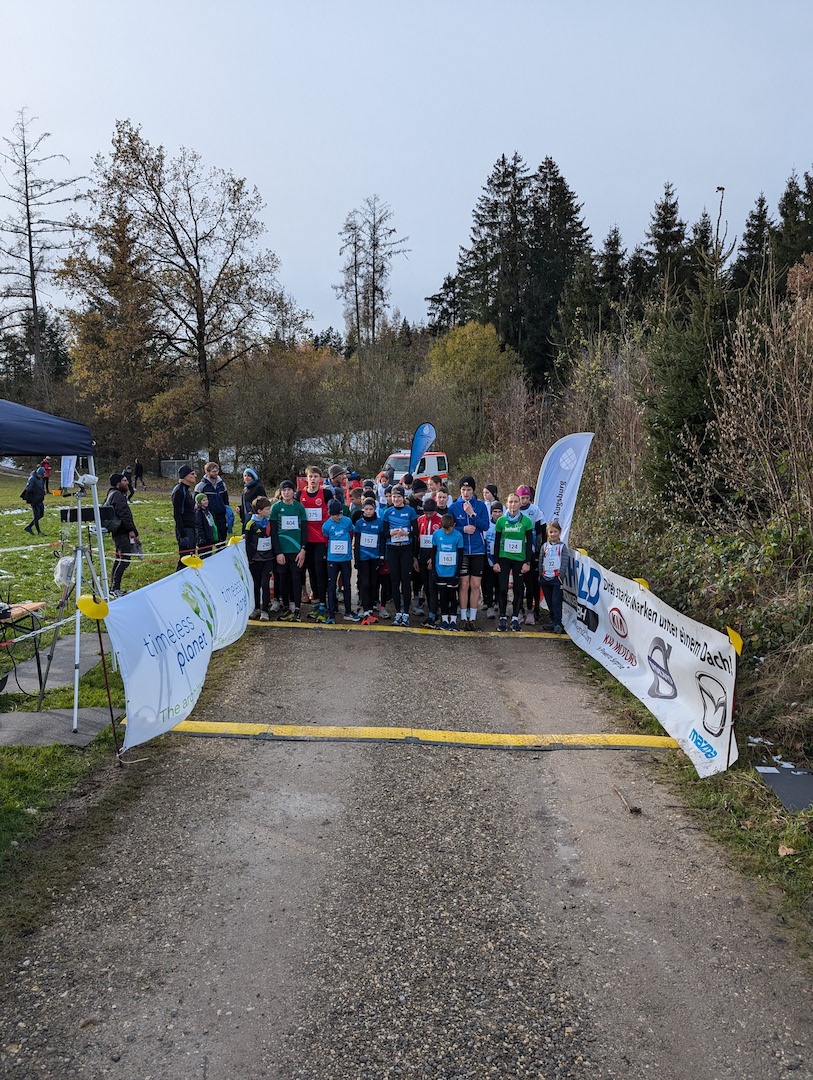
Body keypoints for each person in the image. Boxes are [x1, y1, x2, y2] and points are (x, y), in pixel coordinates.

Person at [449, 476, 489, 631]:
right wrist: (463, 529)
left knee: (475, 584)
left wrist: (472, 514)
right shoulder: (454, 507)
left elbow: (485, 526)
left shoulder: (480, 505)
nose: (466, 493)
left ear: (473, 490)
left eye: (469, 490)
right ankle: (463, 617)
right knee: (464, 584)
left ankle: (473, 617)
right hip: (463, 550)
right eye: (463, 490)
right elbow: (449, 527)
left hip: (478, 550)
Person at [492, 493, 534, 632]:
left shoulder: (526, 521)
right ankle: (503, 616)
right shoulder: (501, 521)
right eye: (510, 502)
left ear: (519, 504)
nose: (513, 504)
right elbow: (497, 542)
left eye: (516, 502)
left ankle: (515, 617)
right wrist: (496, 561)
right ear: (507, 504)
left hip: (519, 559)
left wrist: (527, 562)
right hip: (504, 558)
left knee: (518, 588)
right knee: (503, 588)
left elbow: (529, 543)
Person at [297, 465, 333, 619]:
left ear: (320, 479)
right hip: (306, 541)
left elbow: (333, 512)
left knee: (320, 572)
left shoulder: (326, 493)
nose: (313, 479)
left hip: (321, 540)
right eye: (310, 476)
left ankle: (324, 604)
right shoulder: (300, 494)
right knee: (311, 572)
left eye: (316, 476)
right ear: (306, 478)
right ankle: (317, 603)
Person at [270, 480, 307, 621]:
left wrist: (303, 549)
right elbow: (273, 532)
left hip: (296, 550)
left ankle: (297, 608)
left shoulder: (299, 507)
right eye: (284, 490)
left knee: (296, 578)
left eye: (289, 490)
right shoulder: (276, 508)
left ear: (293, 491)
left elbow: (304, 530)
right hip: (282, 551)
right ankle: (286, 607)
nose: (286, 492)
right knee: (283, 579)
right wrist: (278, 552)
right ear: (280, 492)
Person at [382, 485, 418, 626]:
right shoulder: (387, 512)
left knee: (406, 582)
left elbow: (416, 531)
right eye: (394, 497)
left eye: (398, 497)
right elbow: (384, 533)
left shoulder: (410, 511)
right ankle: (398, 613)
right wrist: (390, 533)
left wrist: (406, 533)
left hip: (406, 549)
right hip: (392, 549)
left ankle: (406, 613)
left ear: (403, 497)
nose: (396, 499)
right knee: (395, 582)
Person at [105, 473, 139, 596]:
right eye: (124, 480)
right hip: (122, 532)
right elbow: (124, 514)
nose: (127, 483)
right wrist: (131, 530)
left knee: (119, 559)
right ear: (117, 483)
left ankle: (113, 587)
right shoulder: (117, 496)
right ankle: (115, 588)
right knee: (124, 560)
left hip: (118, 531)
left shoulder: (113, 494)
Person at [322, 499, 356, 623]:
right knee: (331, 586)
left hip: (345, 559)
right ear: (330, 514)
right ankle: (331, 613)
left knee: (347, 585)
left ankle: (348, 611)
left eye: (340, 514)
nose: (338, 517)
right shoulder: (326, 525)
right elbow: (326, 539)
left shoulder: (347, 521)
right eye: (336, 515)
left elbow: (351, 533)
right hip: (332, 559)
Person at [353, 497, 385, 625]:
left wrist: (382, 556)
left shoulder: (379, 523)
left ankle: (370, 610)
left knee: (373, 584)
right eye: (366, 509)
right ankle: (365, 610)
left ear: (374, 509)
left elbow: (382, 540)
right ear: (363, 509)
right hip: (363, 558)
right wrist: (356, 559)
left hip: (375, 557)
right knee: (365, 583)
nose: (368, 511)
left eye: (371, 509)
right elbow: (357, 542)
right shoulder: (359, 523)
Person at [517, 485, 546, 624]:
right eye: (522, 498)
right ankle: (519, 609)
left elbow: (541, 532)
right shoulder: (514, 510)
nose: (524, 501)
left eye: (527, 498)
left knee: (533, 583)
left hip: (533, 550)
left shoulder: (535, 510)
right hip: (517, 551)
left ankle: (535, 609)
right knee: (519, 583)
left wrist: (540, 550)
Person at [244, 496, 275, 620]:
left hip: (268, 559)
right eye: (267, 509)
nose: (269, 511)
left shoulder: (269, 522)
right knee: (256, 585)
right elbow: (247, 544)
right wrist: (250, 559)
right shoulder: (250, 524)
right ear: (259, 511)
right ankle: (256, 607)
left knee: (265, 584)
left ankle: (265, 610)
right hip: (255, 560)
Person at [432, 514, 464, 630]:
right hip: (440, 570)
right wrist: (434, 570)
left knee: (452, 596)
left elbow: (460, 555)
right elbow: (433, 552)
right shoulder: (436, 534)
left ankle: (453, 620)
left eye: (449, 529)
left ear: (453, 525)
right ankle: (445, 619)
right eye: (444, 529)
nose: (446, 531)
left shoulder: (458, 535)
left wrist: (457, 573)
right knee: (443, 596)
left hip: (452, 571)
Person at [415, 497, 443, 626]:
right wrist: (415, 558)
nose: (428, 515)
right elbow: (416, 540)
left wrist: (434, 557)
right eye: (426, 513)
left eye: (430, 513)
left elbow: (442, 541)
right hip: (422, 556)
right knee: (426, 585)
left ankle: (434, 613)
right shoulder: (420, 520)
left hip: (435, 556)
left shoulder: (441, 520)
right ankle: (432, 611)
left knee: (433, 586)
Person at [195, 462, 230, 548]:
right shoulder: (200, 486)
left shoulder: (222, 485)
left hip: (221, 517)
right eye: (213, 471)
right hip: (208, 518)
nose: (216, 473)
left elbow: (226, 501)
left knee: (221, 544)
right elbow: (196, 504)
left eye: (217, 471)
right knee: (207, 545)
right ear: (207, 472)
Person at [540, 519, 565, 633]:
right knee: (549, 601)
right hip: (545, 578)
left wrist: (560, 577)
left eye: (555, 531)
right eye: (551, 532)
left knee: (556, 601)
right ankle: (553, 621)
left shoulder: (562, 547)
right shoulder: (544, 546)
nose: (553, 534)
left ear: (559, 532)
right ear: (547, 533)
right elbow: (541, 560)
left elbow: (564, 562)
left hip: (556, 579)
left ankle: (558, 623)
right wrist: (541, 575)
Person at [171, 464, 198, 571]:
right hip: (185, 529)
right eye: (192, 474)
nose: (195, 476)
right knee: (185, 559)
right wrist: (183, 534)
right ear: (185, 476)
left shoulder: (186, 491)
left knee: (191, 557)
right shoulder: (179, 491)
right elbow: (177, 514)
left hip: (191, 527)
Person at [482, 500, 504, 619]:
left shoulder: (505, 523)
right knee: (489, 583)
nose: (497, 514)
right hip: (489, 557)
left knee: (500, 583)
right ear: (491, 513)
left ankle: (499, 603)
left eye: (499, 511)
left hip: (501, 557)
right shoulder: (487, 525)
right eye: (495, 511)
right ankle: (489, 605)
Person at [22, 467, 46, 534]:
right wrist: (36, 491)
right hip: (34, 500)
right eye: (42, 475)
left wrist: (43, 492)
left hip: (40, 499)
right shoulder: (32, 479)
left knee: (41, 515)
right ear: (38, 474)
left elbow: (41, 487)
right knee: (36, 516)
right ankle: (39, 532)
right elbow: (28, 489)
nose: (42, 476)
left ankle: (28, 527)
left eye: (43, 475)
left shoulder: (41, 479)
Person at [194, 493, 219, 557]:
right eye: (204, 500)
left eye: (206, 499)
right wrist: (201, 539)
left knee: (209, 554)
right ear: (199, 502)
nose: (206, 501)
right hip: (203, 539)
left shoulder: (208, 511)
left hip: (209, 537)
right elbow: (198, 526)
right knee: (204, 556)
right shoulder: (198, 513)